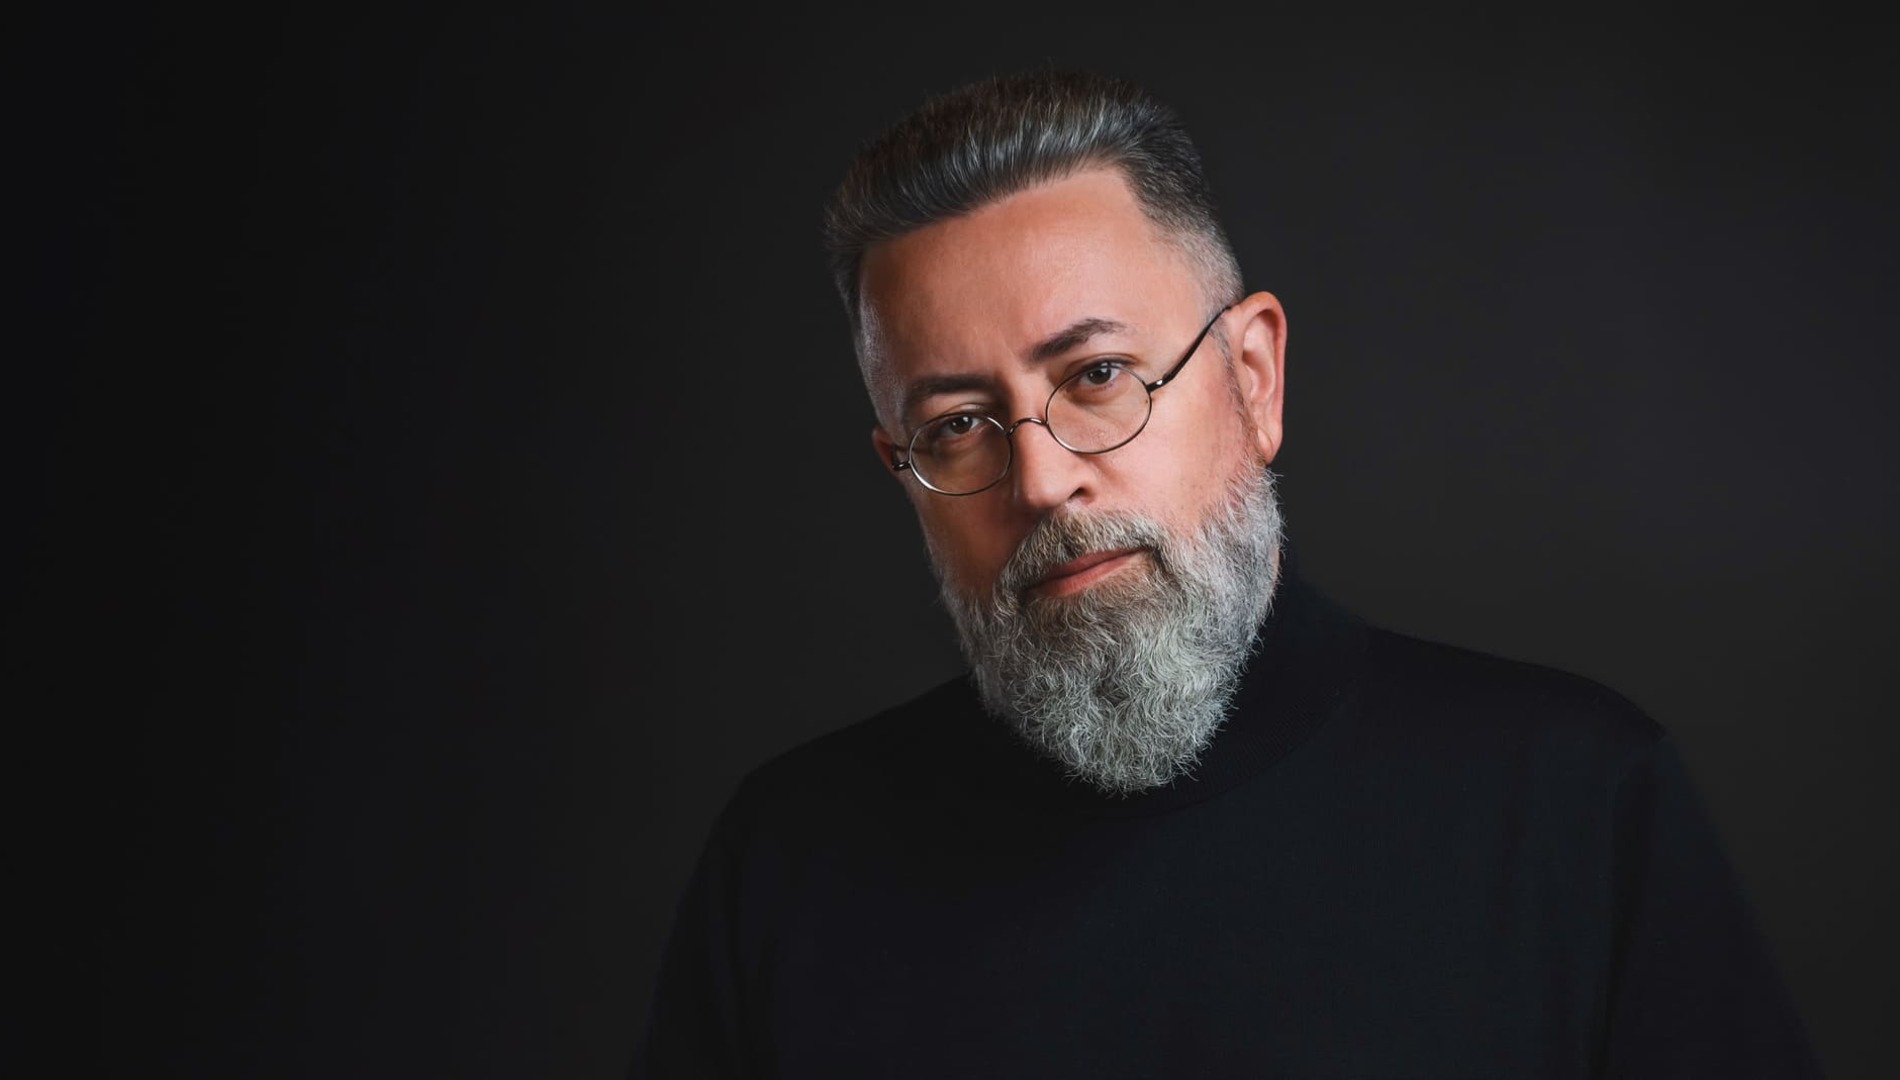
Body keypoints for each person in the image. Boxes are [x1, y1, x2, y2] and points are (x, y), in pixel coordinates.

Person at [634, 68, 1823, 1077]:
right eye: (956, 426)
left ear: (1252, 379)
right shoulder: (789, 866)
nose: (1039, 481)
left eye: (1097, 376)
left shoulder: (1575, 803)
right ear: (903, 472)